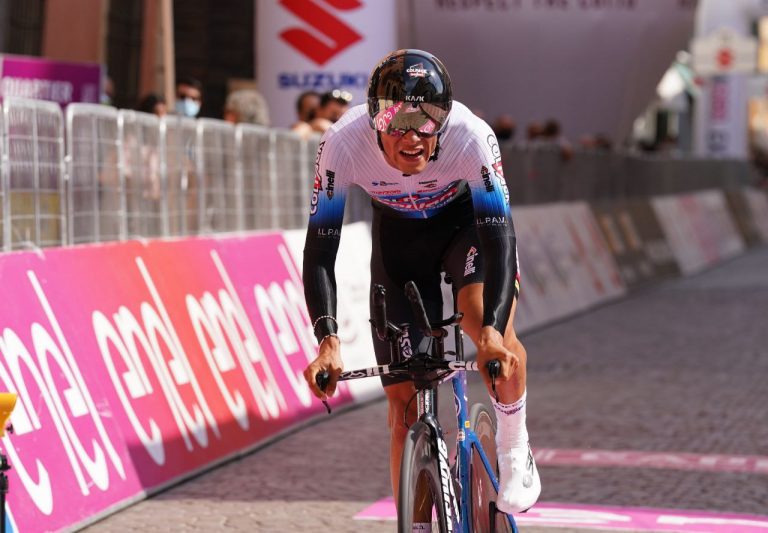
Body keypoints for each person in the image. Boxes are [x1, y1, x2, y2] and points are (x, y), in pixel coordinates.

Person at [301, 49, 541, 522]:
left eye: (426, 120)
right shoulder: (342, 142)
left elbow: (501, 240)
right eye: (395, 121)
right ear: (373, 118)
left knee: (481, 321)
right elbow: (320, 251)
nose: (411, 136)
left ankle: (515, 446)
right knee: (403, 409)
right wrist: (327, 341)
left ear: (444, 119)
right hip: (399, 242)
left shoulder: (471, 135)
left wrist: (492, 333)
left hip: (465, 227)